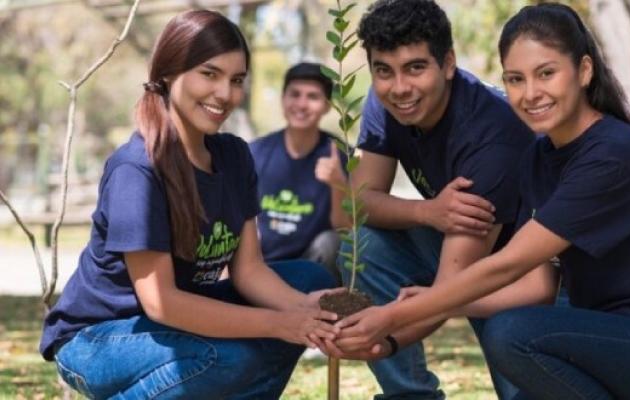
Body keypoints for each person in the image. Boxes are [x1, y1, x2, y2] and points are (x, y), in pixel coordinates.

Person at [331, 3, 630, 399]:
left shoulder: (611, 155)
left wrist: (397, 315)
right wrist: (402, 333)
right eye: (516, 79)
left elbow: (509, 263)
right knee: (515, 334)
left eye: (546, 74)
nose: (530, 93)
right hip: (601, 330)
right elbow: (537, 286)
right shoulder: (541, 156)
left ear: (584, 71)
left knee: (514, 334)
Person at [39, 10, 340, 399]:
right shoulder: (138, 168)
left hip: (174, 320)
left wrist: (303, 312)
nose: (225, 94)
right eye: (209, 74)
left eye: (236, 80)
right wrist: (280, 323)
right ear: (168, 73)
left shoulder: (234, 156)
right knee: (226, 357)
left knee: (309, 281)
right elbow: (162, 303)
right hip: (100, 338)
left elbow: (248, 270)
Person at [328, 1, 558, 399]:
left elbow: (452, 288)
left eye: (415, 67)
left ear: (448, 63)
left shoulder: (491, 134)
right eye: (383, 70)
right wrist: (426, 211)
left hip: (528, 273)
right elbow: (359, 204)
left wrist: (384, 337)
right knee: (363, 245)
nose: (399, 87)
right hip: (464, 245)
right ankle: (410, 395)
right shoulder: (388, 104)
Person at [250, 62, 347, 283]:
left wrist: (338, 183)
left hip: (309, 268)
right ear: (283, 99)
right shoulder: (255, 153)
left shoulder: (340, 155)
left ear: (327, 105)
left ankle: (324, 312)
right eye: (295, 94)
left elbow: (344, 230)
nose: (302, 104)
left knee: (332, 241)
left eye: (312, 96)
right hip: (259, 268)